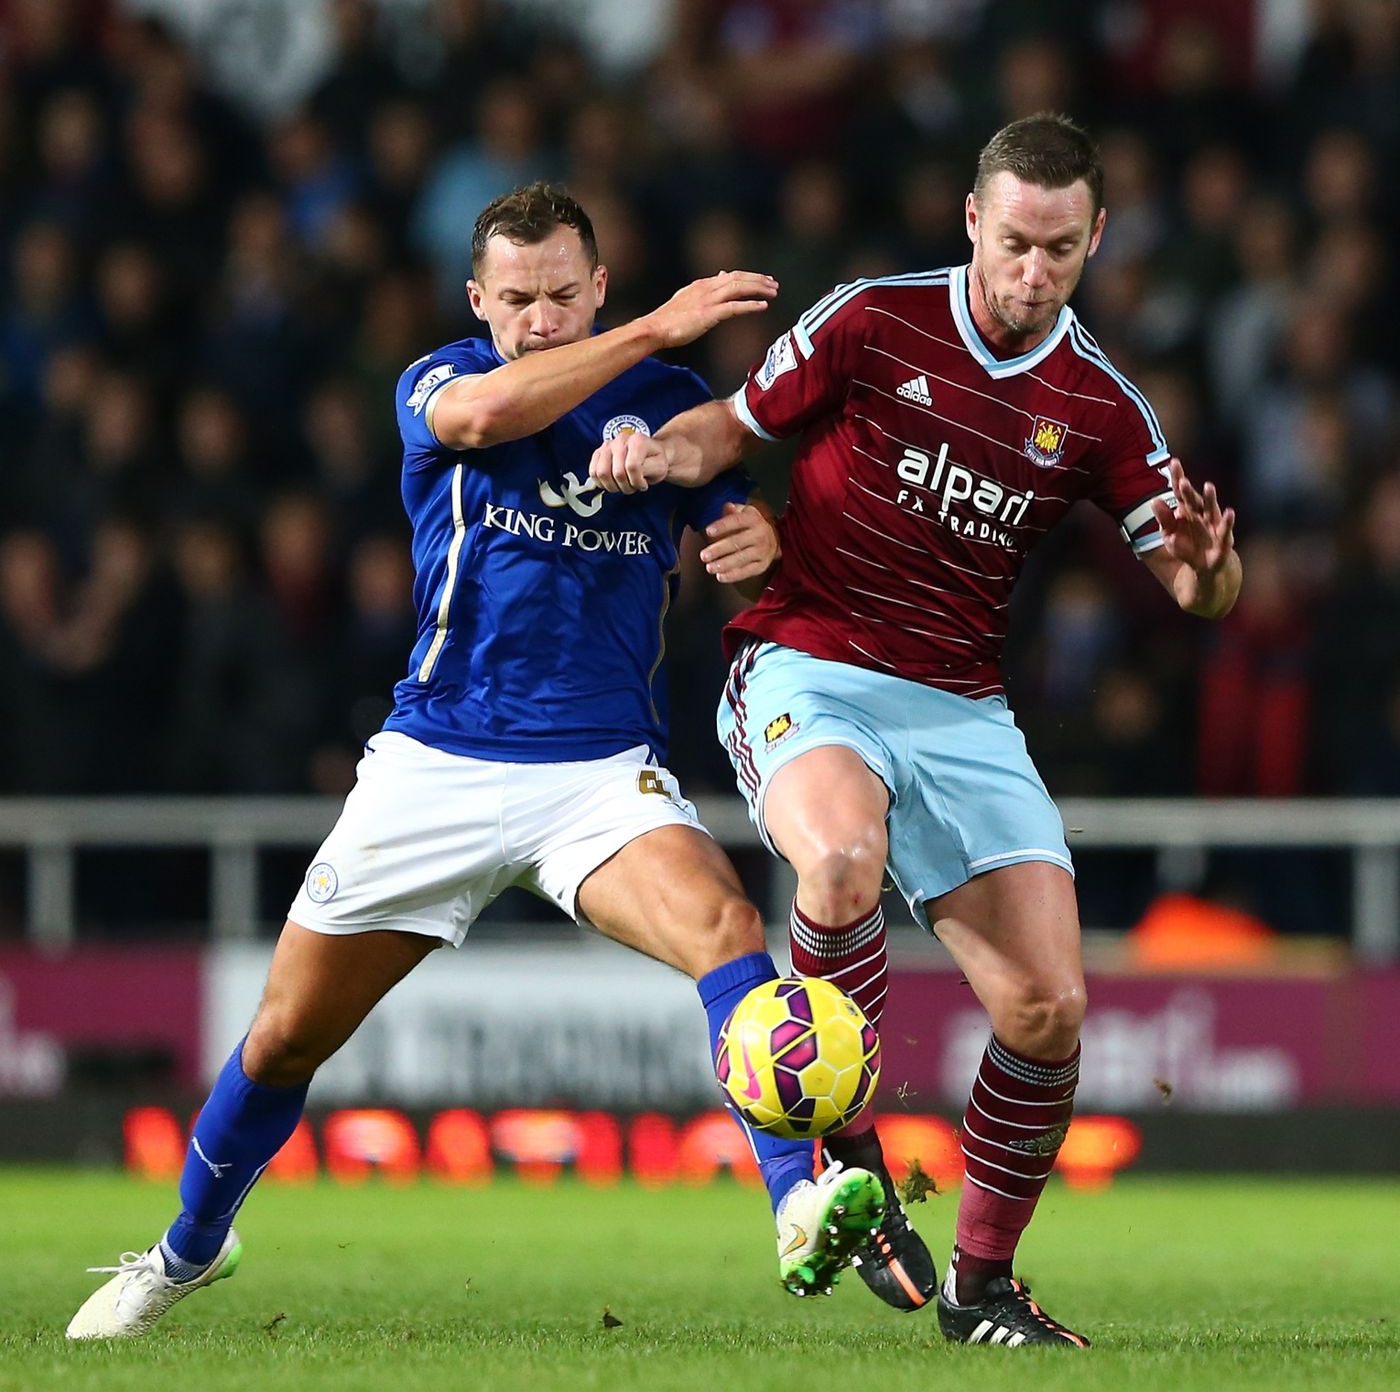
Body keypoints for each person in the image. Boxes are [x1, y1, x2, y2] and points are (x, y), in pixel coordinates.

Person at [66, 183, 885, 1340]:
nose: (540, 319)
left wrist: (746, 536)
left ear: (595, 285)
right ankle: (185, 1249)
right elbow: (484, 416)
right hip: (434, 765)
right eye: (516, 299)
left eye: (561, 294)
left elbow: (732, 523)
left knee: (726, 926)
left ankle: (796, 1202)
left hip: (596, 774)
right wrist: (654, 326)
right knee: (285, 1034)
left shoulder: (666, 403)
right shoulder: (438, 379)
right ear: (476, 301)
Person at [590, 115, 1242, 1347]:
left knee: (1047, 1006)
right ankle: (852, 1166)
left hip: (960, 705)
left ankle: (978, 1286)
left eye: (1059, 250)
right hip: (808, 662)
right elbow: (731, 425)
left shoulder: (1098, 404)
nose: (1031, 274)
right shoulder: (873, 319)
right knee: (839, 858)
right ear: (971, 220)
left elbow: (1194, 584)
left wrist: (1209, 569)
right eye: (1013, 243)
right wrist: (653, 452)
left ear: (1096, 237)